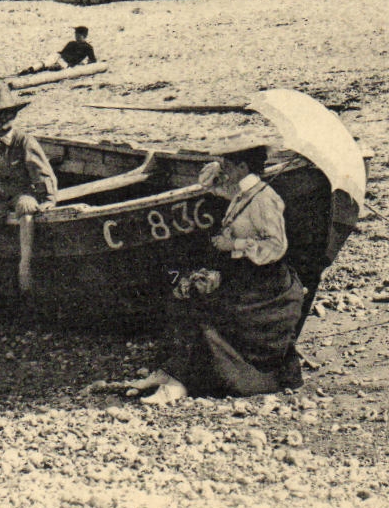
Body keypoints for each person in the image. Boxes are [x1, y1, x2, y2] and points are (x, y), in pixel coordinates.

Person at [125, 142, 306, 404]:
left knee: (204, 310)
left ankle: (180, 383)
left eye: (229, 165)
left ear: (243, 166)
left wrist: (234, 244)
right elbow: (216, 188)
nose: (224, 169)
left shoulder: (265, 199)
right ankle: (167, 373)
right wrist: (213, 175)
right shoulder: (245, 192)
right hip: (246, 275)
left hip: (266, 285)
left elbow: (277, 247)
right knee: (183, 299)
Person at [0, 87, 58, 325]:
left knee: (26, 210)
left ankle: (24, 269)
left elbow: (43, 174)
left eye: (8, 115)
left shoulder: (24, 141)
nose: (4, 119)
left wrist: (45, 201)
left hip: (21, 196)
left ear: (14, 116)